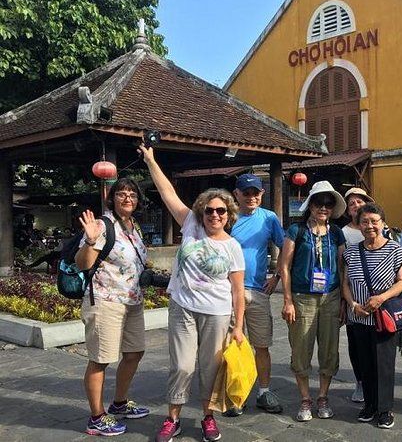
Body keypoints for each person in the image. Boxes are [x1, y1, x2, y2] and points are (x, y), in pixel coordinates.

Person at [139, 145, 246, 442]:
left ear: (228, 214)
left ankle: (208, 417)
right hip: (183, 306)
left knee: (210, 368)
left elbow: (238, 291)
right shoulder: (190, 225)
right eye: (209, 210)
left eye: (220, 211)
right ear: (202, 211)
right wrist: (150, 160)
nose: (214, 215)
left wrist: (238, 327)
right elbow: (168, 194)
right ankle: (172, 418)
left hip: (218, 312)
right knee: (182, 366)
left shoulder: (232, 247)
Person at [75, 178, 150, 437]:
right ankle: (96, 417)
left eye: (132, 194)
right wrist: (89, 240)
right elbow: (83, 264)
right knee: (101, 360)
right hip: (106, 301)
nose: (127, 198)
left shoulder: (133, 226)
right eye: (122, 194)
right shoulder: (102, 225)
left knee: (134, 352)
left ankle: (119, 402)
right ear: (113, 197)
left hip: (133, 301)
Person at [278, 180, 346, 422]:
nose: (323, 208)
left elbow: (342, 267)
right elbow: (283, 265)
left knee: (329, 350)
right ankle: (305, 398)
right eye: (319, 202)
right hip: (302, 297)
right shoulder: (297, 230)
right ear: (310, 205)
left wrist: (344, 301)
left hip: (331, 297)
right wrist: (287, 300)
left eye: (328, 203)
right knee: (301, 349)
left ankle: (323, 396)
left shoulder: (336, 233)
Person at [341, 203, 402, 430]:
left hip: (384, 317)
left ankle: (385, 409)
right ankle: (369, 405)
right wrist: (352, 305)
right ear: (359, 225)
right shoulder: (351, 251)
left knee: (384, 365)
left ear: (382, 223)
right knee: (365, 363)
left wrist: (381, 298)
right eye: (365, 222)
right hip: (359, 317)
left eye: (374, 221)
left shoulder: (395, 249)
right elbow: (346, 284)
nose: (370, 226)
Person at [231, 173, 285, 414]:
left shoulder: (269, 218)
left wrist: (277, 277)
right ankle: (234, 395)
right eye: (246, 193)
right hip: (229, 292)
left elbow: (286, 247)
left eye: (256, 193)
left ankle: (264, 392)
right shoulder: (227, 216)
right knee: (231, 345)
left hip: (258, 290)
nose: (251, 197)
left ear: (262, 195)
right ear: (237, 195)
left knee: (262, 345)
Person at [341, 187, 376, 403]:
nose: (356, 206)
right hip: (352, 295)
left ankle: (378, 381)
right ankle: (361, 381)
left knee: (378, 340)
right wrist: (345, 301)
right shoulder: (342, 232)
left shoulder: (380, 227)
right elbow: (340, 266)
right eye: (352, 203)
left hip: (377, 295)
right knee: (355, 341)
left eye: (360, 201)